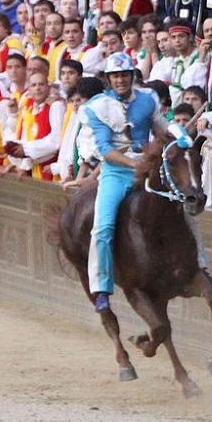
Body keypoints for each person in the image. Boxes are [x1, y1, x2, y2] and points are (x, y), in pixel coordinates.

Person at [84, 52, 169, 313]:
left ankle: (199, 263)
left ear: (132, 76)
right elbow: (104, 149)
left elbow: (161, 129)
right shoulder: (97, 106)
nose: (120, 80)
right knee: (102, 226)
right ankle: (100, 287)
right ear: (109, 79)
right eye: (115, 76)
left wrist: (178, 136)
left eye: (124, 75)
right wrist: (134, 164)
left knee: (183, 209)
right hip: (115, 172)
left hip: (150, 167)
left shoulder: (148, 98)